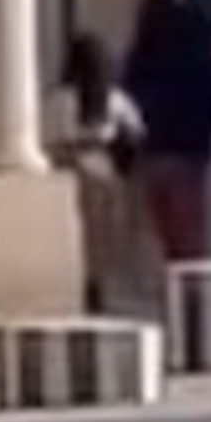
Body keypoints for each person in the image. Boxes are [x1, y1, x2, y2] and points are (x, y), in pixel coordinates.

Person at [122, 0, 211, 280]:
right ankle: (192, 296)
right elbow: (209, 97)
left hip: (155, 148)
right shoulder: (196, 48)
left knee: (166, 233)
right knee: (190, 233)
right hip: (188, 150)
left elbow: (132, 97)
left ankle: (177, 291)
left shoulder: (144, 49)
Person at [56, 23, 145, 315]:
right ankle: (99, 288)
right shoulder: (115, 100)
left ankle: (81, 286)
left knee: (75, 239)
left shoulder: (60, 101)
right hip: (106, 175)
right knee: (103, 239)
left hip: (67, 179)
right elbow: (137, 133)